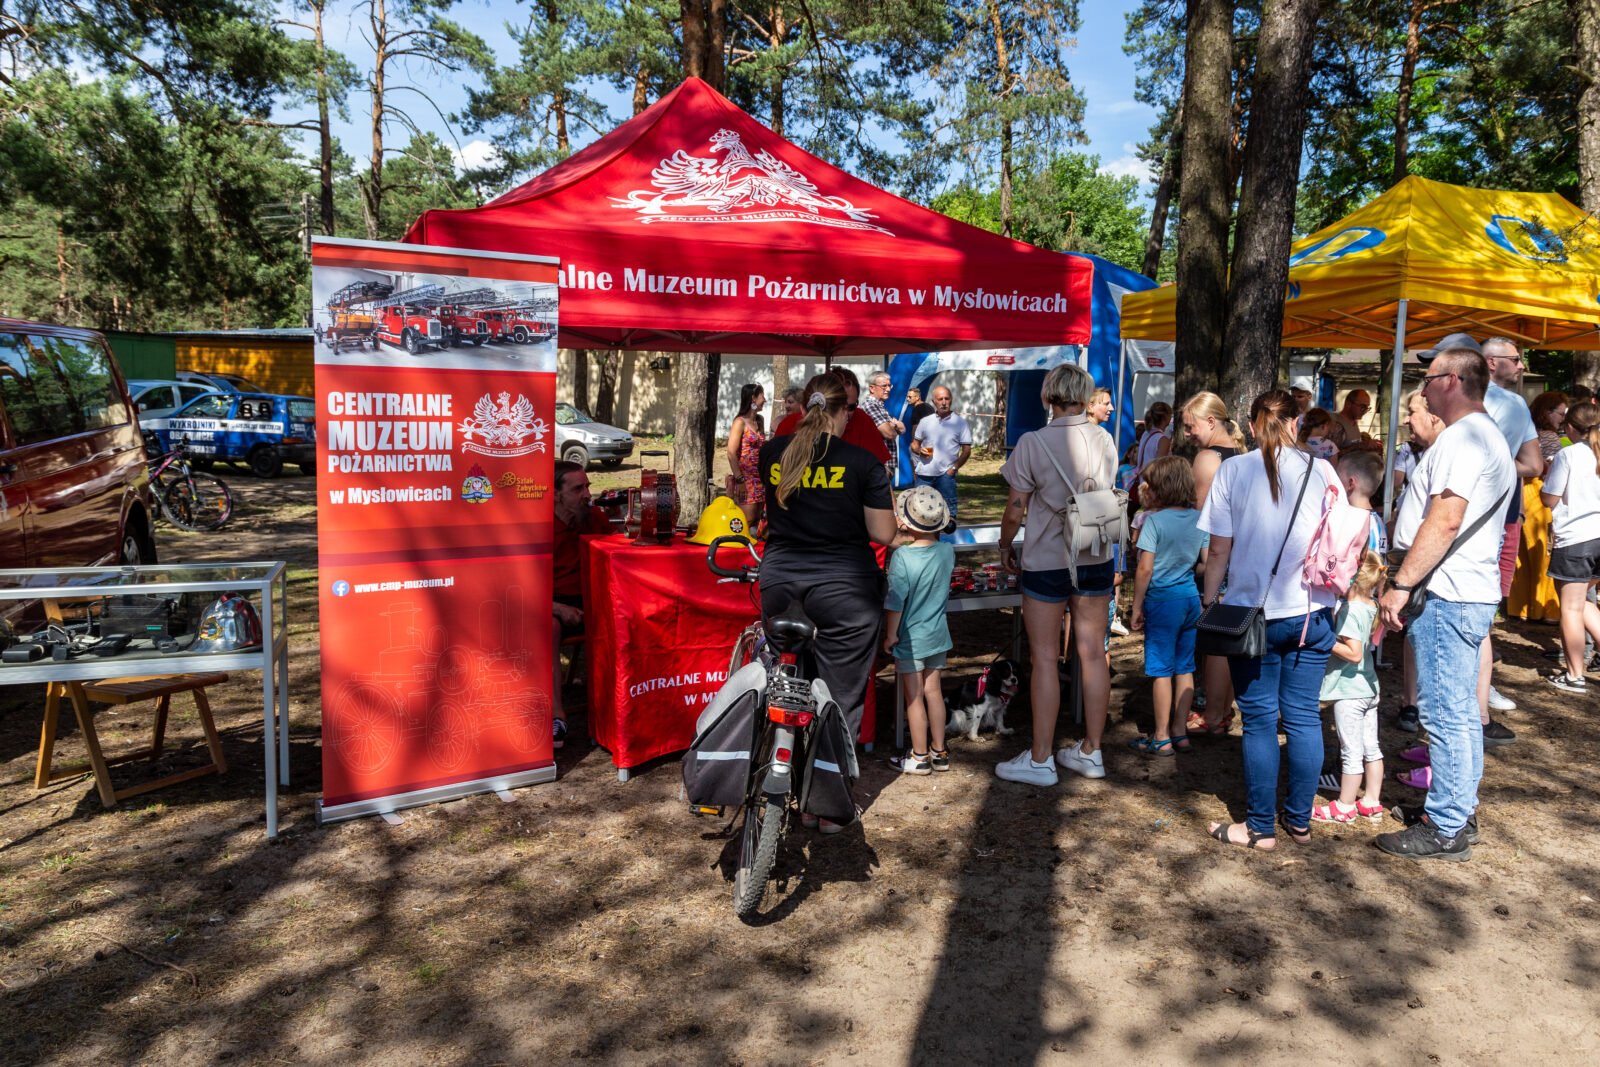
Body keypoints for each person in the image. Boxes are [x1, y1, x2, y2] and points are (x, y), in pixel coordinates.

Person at [1377, 338, 1516, 861]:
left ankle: (1447, 824)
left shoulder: (1464, 439)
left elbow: (1446, 518)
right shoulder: (1479, 435)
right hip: (1462, 589)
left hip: (1448, 591)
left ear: (1452, 382)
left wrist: (1404, 582)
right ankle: (1455, 809)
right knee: (1455, 709)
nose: (1425, 388)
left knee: (1445, 712)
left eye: (1431, 378)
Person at [1199, 389, 1342, 850]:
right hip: (1311, 612)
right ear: (1296, 424)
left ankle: (1260, 827)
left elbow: (1219, 549)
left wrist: (1208, 599)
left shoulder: (1233, 470)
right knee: (1302, 717)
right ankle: (1298, 820)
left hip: (1250, 612)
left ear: (1254, 424)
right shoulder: (1323, 471)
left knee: (1259, 719)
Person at [758, 375, 896, 831]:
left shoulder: (771, 453)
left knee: (785, 683)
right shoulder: (861, 462)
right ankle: (826, 807)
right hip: (844, 592)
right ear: (845, 413)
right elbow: (882, 534)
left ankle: (777, 769)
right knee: (841, 698)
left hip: (780, 584)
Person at [995, 364, 1119, 785]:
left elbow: (1016, 507)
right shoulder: (1104, 438)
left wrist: (1004, 544)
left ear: (1049, 396)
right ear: (1085, 396)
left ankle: (1041, 757)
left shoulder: (1032, 442)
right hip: (1096, 552)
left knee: (1044, 657)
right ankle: (1092, 750)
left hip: (1048, 556)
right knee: (1092, 653)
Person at [1465, 336, 1541, 738]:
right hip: (1497, 513)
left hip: (1475, 510)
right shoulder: (1507, 403)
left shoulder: (1500, 402)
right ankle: (1477, 693)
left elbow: (1533, 463)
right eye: (1516, 359)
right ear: (1492, 364)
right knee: (1483, 605)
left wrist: (1490, 464)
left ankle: (1474, 692)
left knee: (1473, 604)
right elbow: (1531, 464)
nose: (1523, 366)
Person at [1127, 456, 1207, 756]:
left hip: (1162, 601)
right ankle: (1179, 731)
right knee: (1185, 667)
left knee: (1161, 670)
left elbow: (1144, 569)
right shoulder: (1199, 518)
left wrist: (1136, 606)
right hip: (1189, 600)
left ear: (1162, 488)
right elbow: (1206, 562)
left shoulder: (1154, 522)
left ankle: (1161, 736)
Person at [1180, 391, 1245, 736]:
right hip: (1243, 556)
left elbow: (1200, 515)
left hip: (1217, 557)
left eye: (1190, 426)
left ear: (1210, 421)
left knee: (1218, 641)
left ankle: (1214, 713)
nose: (1187, 433)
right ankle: (1225, 709)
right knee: (1233, 636)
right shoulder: (1244, 454)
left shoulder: (1209, 458)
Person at [882, 486, 957, 775]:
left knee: (914, 697)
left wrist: (891, 635)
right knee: (934, 692)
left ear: (906, 521)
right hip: (939, 634)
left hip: (911, 638)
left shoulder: (902, 558)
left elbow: (895, 601)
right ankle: (940, 751)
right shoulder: (947, 553)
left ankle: (919, 755)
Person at [1313, 550, 1387, 824]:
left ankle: (1344, 806)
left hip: (1350, 691)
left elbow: (1354, 653)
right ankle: (1372, 801)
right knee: (1372, 747)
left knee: (1351, 751)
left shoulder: (1350, 610)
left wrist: (1324, 639)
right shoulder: (1372, 605)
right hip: (1369, 687)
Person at [550, 460, 616, 749]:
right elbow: (525, 583)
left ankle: (617, 709)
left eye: (587, 486)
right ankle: (556, 714)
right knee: (547, 626)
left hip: (592, 598)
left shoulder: (595, 518)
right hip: (553, 602)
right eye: (578, 488)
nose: (587, 494)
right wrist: (557, 607)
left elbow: (615, 558)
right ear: (556, 494)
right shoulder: (540, 527)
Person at [1391, 390, 1445, 737]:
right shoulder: (1428, 454)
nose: (1407, 419)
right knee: (1416, 641)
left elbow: (1443, 522)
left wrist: (1402, 583)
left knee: (1437, 663)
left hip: (1432, 577)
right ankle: (1420, 716)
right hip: (1420, 572)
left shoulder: (1446, 454)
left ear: (1435, 416)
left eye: (1412, 412)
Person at [1541, 401, 1600, 693]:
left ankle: (1574, 674)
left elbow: (1550, 498)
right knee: (1584, 603)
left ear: (1572, 428)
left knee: (1572, 608)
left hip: (1577, 537)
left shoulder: (1569, 455)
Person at [1508, 390, 1569, 622]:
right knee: (1542, 553)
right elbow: (1551, 469)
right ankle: (1545, 608)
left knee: (1521, 555)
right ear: (1547, 412)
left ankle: (1520, 607)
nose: (1562, 419)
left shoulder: (1526, 434)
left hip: (1522, 492)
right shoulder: (1550, 438)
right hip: (1538, 494)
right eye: (1560, 413)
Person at [771, 367, 890, 462]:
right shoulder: (789, 425)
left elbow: (880, 468)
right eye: (838, 405)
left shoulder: (862, 420)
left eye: (851, 407)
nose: (846, 413)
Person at [911, 385, 972, 525]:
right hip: (924, 475)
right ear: (934, 402)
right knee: (922, 514)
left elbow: (967, 451)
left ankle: (948, 544)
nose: (944, 402)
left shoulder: (960, 423)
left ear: (951, 400)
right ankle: (926, 544)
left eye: (947, 398)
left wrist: (953, 469)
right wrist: (919, 450)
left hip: (946, 475)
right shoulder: (925, 421)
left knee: (948, 517)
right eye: (940, 399)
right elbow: (914, 444)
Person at [724, 383, 767, 528]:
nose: (765, 400)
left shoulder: (760, 421)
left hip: (760, 476)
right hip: (746, 478)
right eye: (762, 396)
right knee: (746, 520)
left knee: (759, 520)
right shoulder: (739, 422)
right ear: (753, 399)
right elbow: (731, 452)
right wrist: (740, 480)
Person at [860, 371, 906, 469]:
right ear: (872, 388)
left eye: (889, 385)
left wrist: (893, 426)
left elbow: (903, 429)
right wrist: (894, 426)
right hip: (879, 465)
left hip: (885, 465)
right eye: (884, 386)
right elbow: (889, 434)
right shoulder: (870, 405)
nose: (888, 389)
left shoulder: (880, 406)